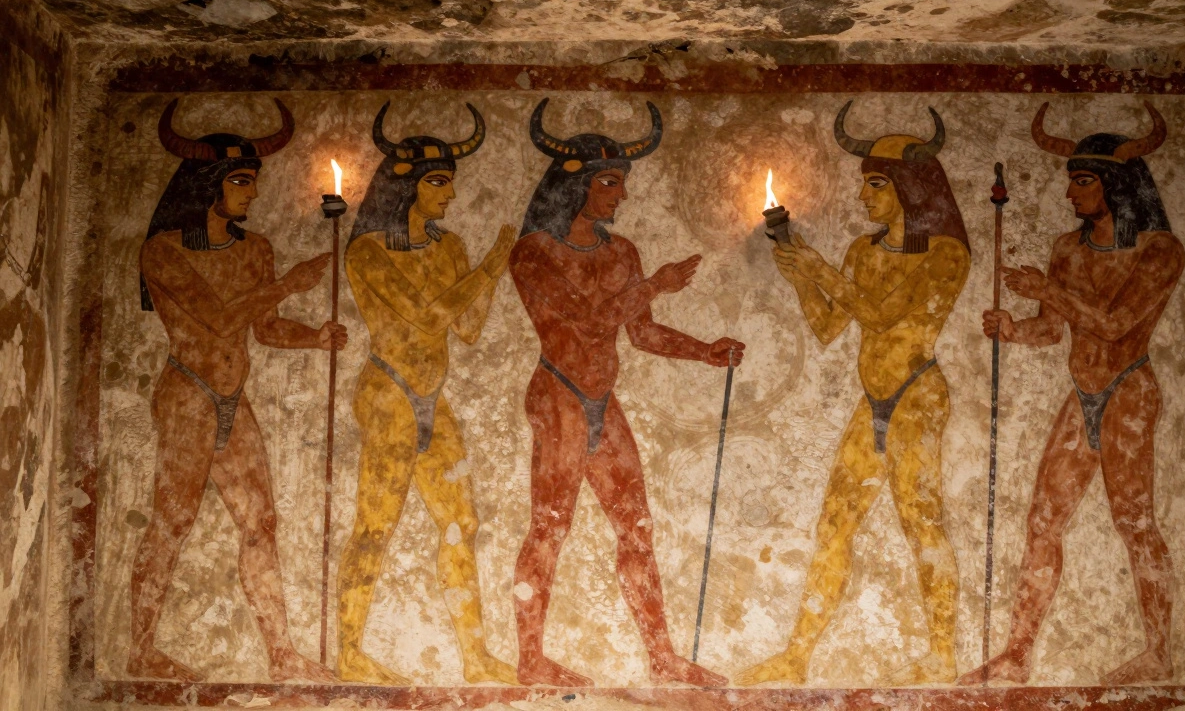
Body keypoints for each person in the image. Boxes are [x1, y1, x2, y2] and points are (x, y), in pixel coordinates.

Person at [508, 98, 744, 687]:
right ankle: (532, 661)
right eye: (610, 182)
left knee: (636, 526)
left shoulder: (621, 253)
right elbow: (584, 323)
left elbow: (639, 333)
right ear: (576, 184)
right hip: (558, 395)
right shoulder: (535, 253)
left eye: (622, 182)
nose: (621, 195)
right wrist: (655, 285)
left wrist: (703, 351)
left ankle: (663, 661)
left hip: (600, 399)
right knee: (550, 526)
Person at [737, 104, 970, 687]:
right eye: (864, 183)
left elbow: (883, 315)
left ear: (910, 188)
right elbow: (828, 325)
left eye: (875, 184)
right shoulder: (863, 253)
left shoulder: (945, 253)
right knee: (835, 524)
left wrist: (817, 265)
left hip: (918, 396)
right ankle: (796, 657)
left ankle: (943, 657)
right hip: (873, 403)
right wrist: (799, 277)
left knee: (921, 522)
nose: (863, 197)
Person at [960, 102, 1182, 687]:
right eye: (1070, 181)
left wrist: (1047, 293)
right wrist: (1012, 328)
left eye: (1081, 182)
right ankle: (1016, 655)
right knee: (1042, 521)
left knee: (1134, 521)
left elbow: (1115, 325)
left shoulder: (1159, 251)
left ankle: (1159, 651)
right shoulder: (1066, 248)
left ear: (1115, 183)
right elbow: (1051, 329)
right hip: (1079, 392)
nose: (1070, 194)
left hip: (1129, 391)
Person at [131, 98, 344, 682]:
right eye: (242, 182)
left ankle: (280, 656)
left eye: (253, 181)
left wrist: (315, 338)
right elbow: (218, 318)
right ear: (208, 184)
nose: (252, 194)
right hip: (188, 395)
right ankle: (141, 650)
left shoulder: (255, 250)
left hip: (234, 399)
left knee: (261, 523)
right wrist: (290, 284)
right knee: (173, 520)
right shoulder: (163, 250)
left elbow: (264, 330)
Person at [337, 101, 517, 685]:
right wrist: (491, 266)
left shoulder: (449, 247)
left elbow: (466, 327)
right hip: (387, 392)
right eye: (439, 183)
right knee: (376, 525)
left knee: (460, 522)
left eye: (451, 183)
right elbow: (425, 315)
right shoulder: (366, 251)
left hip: (431, 397)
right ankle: (348, 652)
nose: (450, 195)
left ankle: (474, 657)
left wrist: (484, 273)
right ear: (406, 186)